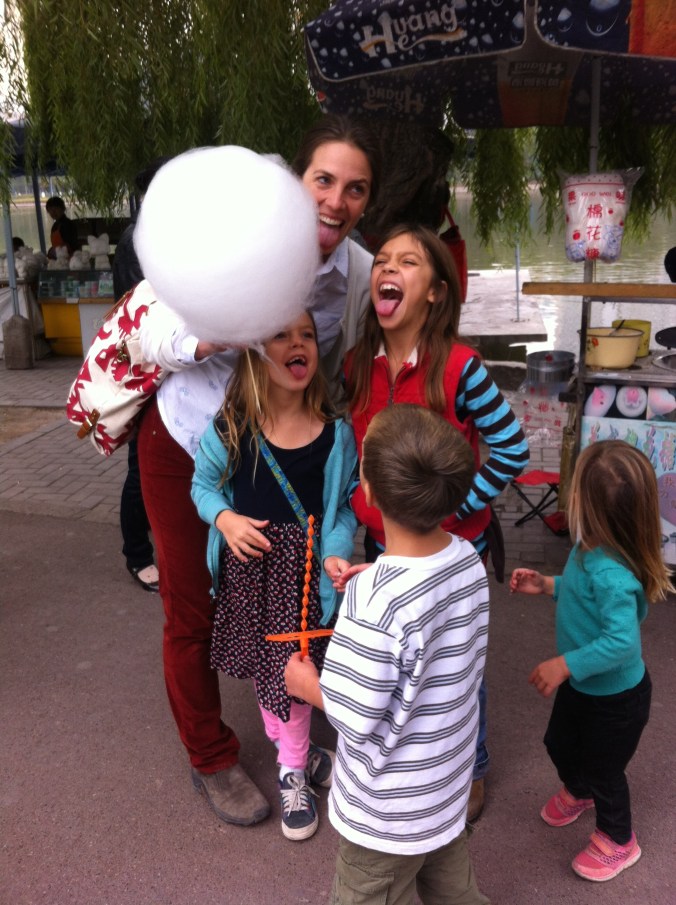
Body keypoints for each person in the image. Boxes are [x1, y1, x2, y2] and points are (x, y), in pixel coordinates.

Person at [136, 115, 381, 827]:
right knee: (191, 607)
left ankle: (294, 725)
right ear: (290, 183)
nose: (337, 201)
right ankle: (210, 753)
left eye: (356, 188)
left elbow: (350, 368)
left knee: (294, 602)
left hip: (279, 448)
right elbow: (151, 334)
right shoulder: (231, 230)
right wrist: (226, 320)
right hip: (188, 438)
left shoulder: (357, 274)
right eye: (324, 180)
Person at [343, 224, 529, 821]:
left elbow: (510, 450)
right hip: (379, 548)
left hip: (455, 553)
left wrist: (451, 508)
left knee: (456, 669)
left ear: (436, 292)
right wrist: (352, 514)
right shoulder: (354, 367)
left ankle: (470, 768)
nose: (387, 269)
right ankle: (399, 761)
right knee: (392, 661)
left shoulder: (462, 367)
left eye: (408, 262)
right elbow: (351, 456)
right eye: (381, 261)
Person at [285, 403, 491, 905]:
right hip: (444, 788)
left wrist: (306, 685)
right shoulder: (466, 558)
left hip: (387, 814)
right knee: (453, 890)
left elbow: (356, 714)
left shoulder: (375, 599)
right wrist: (375, 580)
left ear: (368, 491)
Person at [191, 311, 358, 840]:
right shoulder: (232, 427)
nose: (297, 342)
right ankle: (297, 759)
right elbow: (202, 486)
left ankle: (294, 762)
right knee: (273, 677)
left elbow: (344, 510)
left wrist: (335, 551)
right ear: (254, 353)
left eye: (306, 334)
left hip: (306, 579)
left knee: (296, 677)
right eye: (281, 334)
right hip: (254, 579)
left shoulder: (336, 434)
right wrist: (225, 518)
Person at [510, 440, 672, 882]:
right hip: (584, 687)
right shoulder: (590, 548)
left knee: (605, 770)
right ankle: (578, 791)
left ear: (591, 506)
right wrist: (546, 585)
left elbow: (622, 643)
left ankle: (620, 840)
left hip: (617, 700)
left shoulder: (612, 574)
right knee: (558, 743)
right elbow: (581, 592)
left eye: (574, 489)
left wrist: (565, 664)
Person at [113, 158, 171, 593]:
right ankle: (136, 553)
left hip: (173, 362)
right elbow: (151, 302)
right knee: (141, 462)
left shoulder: (166, 231)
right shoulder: (139, 238)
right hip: (148, 365)